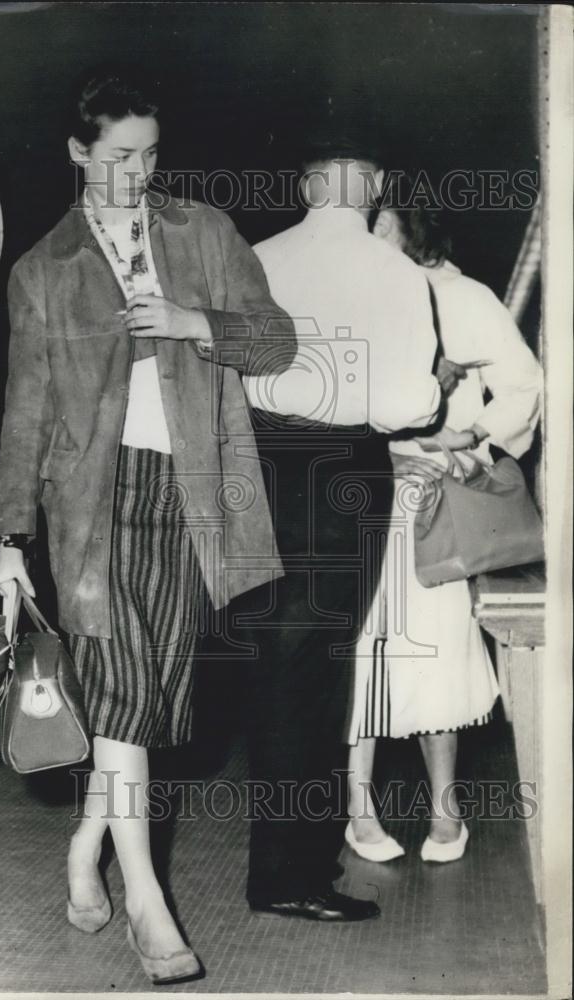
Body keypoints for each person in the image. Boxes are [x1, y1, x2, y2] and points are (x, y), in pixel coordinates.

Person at [0, 66, 296, 984]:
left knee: (148, 701)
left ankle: (87, 843)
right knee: (123, 692)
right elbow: (26, 413)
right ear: (79, 153)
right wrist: (10, 540)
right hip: (90, 509)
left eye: (151, 154)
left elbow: (276, 340)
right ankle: (147, 901)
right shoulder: (44, 270)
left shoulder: (201, 230)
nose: (138, 172)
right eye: (120, 156)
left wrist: (193, 317)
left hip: (193, 498)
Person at [238, 133, 443, 921]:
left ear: (304, 186)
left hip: (253, 465)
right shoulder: (391, 269)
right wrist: (427, 399)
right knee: (317, 676)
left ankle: (274, 866)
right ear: (378, 187)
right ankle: (291, 878)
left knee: (265, 666)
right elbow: (401, 406)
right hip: (339, 473)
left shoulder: (256, 254)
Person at [345, 205, 543, 863]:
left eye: (377, 223)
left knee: (434, 649)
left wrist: (471, 442)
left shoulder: (466, 298)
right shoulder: (362, 293)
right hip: (365, 494)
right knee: (362, 647)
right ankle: (358, 809)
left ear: (414, 226)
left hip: (438, 498)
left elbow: (523, 386)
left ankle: (445, 810)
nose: (364, 236)